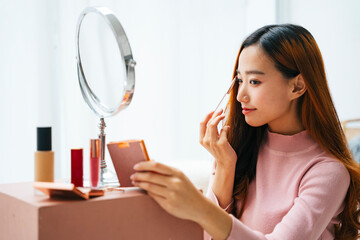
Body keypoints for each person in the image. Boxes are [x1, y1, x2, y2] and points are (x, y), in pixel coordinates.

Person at [130, 24, 360, 240]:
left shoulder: (328, 172)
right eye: (239, 80)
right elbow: (209, 237)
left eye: (255, 81)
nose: (241, 95)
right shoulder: (238, 149)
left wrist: (200, 208)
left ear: (297, 86)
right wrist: (225, 166)